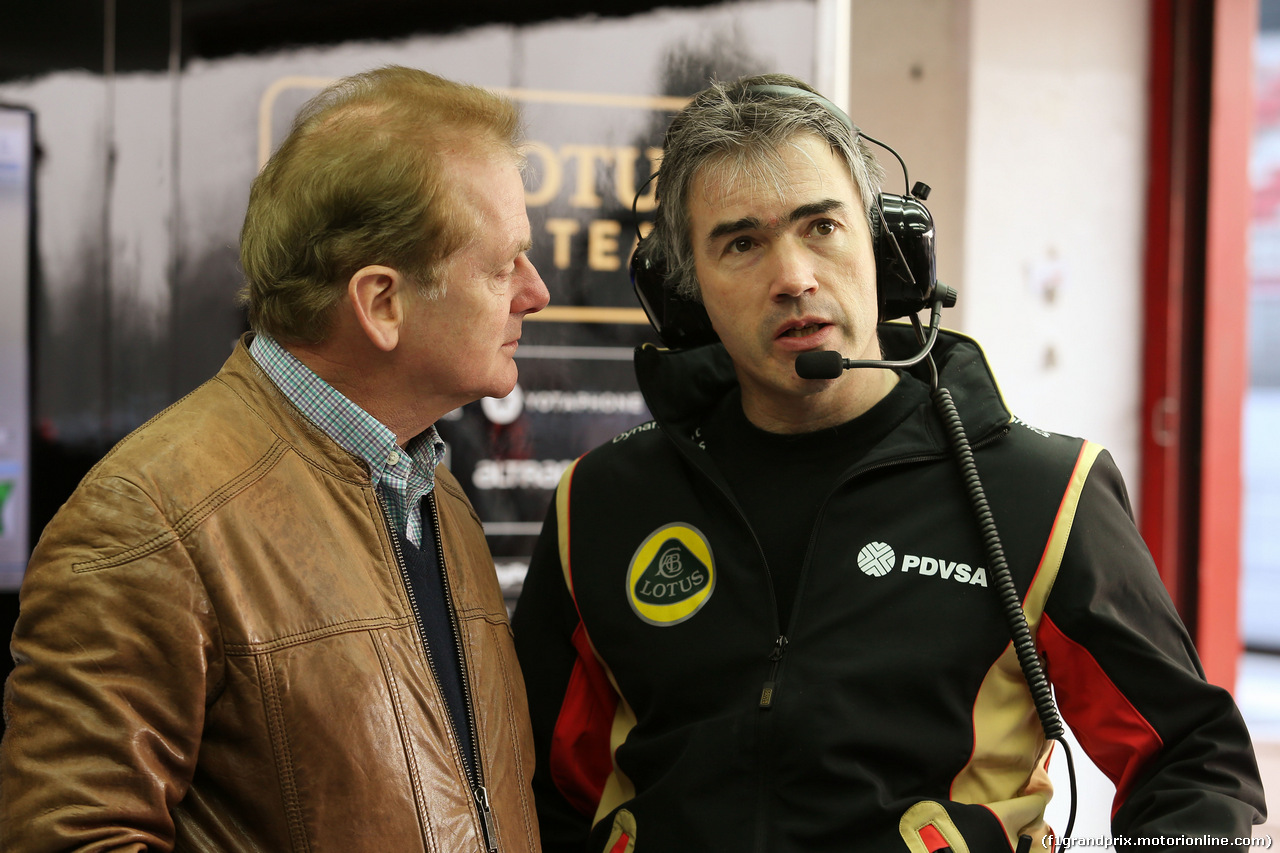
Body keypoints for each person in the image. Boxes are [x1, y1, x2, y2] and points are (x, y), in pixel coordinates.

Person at [511, 73, 1266, 852]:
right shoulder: (600, 504)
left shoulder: (1042, 494)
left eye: (822, 227)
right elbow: (534, 786)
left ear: (885, 248)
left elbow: (1194, 765)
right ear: (685, 291)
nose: (794, 276)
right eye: (741, 242)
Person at [0, 66, 549, 851]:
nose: (535, 292)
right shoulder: (147, 520)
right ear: (382, 303)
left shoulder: (438, 499)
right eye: (503, 266)